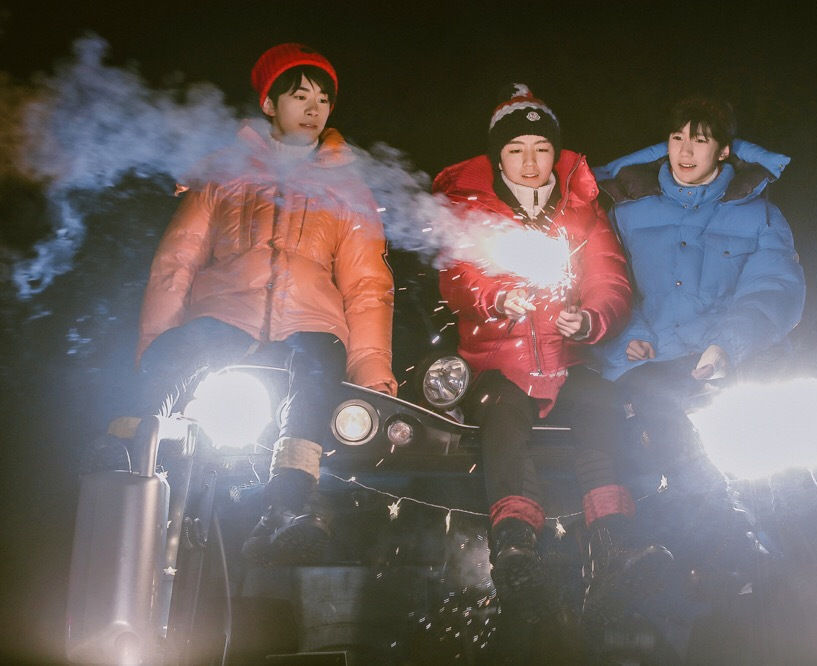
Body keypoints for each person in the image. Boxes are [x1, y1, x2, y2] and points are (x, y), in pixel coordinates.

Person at [121, 43, 396, 565]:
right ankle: (128, 460)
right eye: (300, 96)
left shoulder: (347, 189)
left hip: (309, 322)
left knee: (321, 361)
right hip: (225, 313)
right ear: (269, 103)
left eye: (324, 100)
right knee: (178, 354)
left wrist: (371, 374)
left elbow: (368, 286)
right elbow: (176, 263)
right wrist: (154, 345)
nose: (314, 109)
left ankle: (289, 503)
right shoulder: (224, 174)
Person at [433, 84, 670, 623]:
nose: (530, 162)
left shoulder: (580, 210)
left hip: (568, 361)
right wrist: (496, 298)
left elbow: (610, 278)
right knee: (501, 413)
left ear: (555, 153)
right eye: (516, 149)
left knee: (598, 404)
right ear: (498, 157)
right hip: (498, 364)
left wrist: (590, 319)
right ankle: (515, 546)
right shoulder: (472, 211)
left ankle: (614, 542)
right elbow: (457, 277)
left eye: (541, 149)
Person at [592, 96, 805, 492]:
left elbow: (773, 289)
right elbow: (607, 285)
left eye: (700, 141)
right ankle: (707, 505)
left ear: (723, 150)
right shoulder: (626, 213)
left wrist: (726, 345)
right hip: (651, 365)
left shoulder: (760, 216)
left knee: (798, 457)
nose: (685, 152)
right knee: (637, 417)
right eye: (677, 138)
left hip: (735, 361)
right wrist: (630, 336)